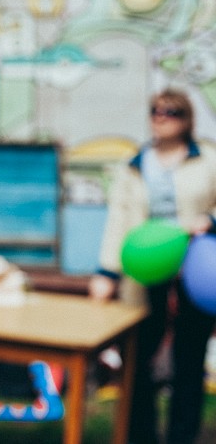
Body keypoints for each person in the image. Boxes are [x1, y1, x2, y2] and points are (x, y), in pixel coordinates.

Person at [89, 89, 216, 444]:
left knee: (189, 358)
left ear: (187, 119)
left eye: (172, 111)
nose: (162, 116)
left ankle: (182, 436)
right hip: (144, 274)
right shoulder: (134, 164)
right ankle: (139, 435)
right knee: (138, 358)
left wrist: (209, 220)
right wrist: (107, 272)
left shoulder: (208, 159)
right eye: (156, 111)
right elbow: (118, 220)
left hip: (194, 271)